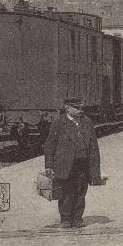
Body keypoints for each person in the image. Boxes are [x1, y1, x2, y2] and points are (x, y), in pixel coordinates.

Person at [44, 98, 101, 229]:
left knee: (81, 191)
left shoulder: (87, 122)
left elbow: (94, 145)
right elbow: (50, 145)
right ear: (67, 108)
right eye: (77, 108)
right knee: (66, 192)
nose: (80, 110)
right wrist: (49, 165)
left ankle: (77, 218)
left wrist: (95, 167)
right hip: (65, 164)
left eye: (81, 108)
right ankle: (65, 218)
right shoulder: (59, 123)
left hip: (83, 164)